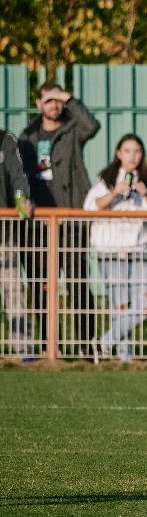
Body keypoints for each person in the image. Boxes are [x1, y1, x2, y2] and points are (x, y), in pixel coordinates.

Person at [18, 82, 100, 355]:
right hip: (37, 224)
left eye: (58, 100)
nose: (54, 105)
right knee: (40, 284)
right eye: (48, 100)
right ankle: (50, 346)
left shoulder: (73, 128)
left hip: (70, 220)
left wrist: (69, 98)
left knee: (78, 282)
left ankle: (87, 346)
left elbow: (92, 125)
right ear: (38, 104)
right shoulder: (27, 136)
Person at [83, 134, 147, 361]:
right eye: (128, 151)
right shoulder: (107, 176)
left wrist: (145, 193)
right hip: (109, 249)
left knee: (146, 305)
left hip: (139, 248)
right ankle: (125, 358)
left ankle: (103, 343)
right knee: (119, 306)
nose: (133, 156)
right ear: (119, 153)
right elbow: (90, 207)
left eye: (137, 151)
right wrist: (114, 192)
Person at [0, 129, 34, 357]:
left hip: (4, 235)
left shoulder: (5, 140)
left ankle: (23, 351)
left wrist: (22, 201)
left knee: (13, 293)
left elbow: (18, 177)